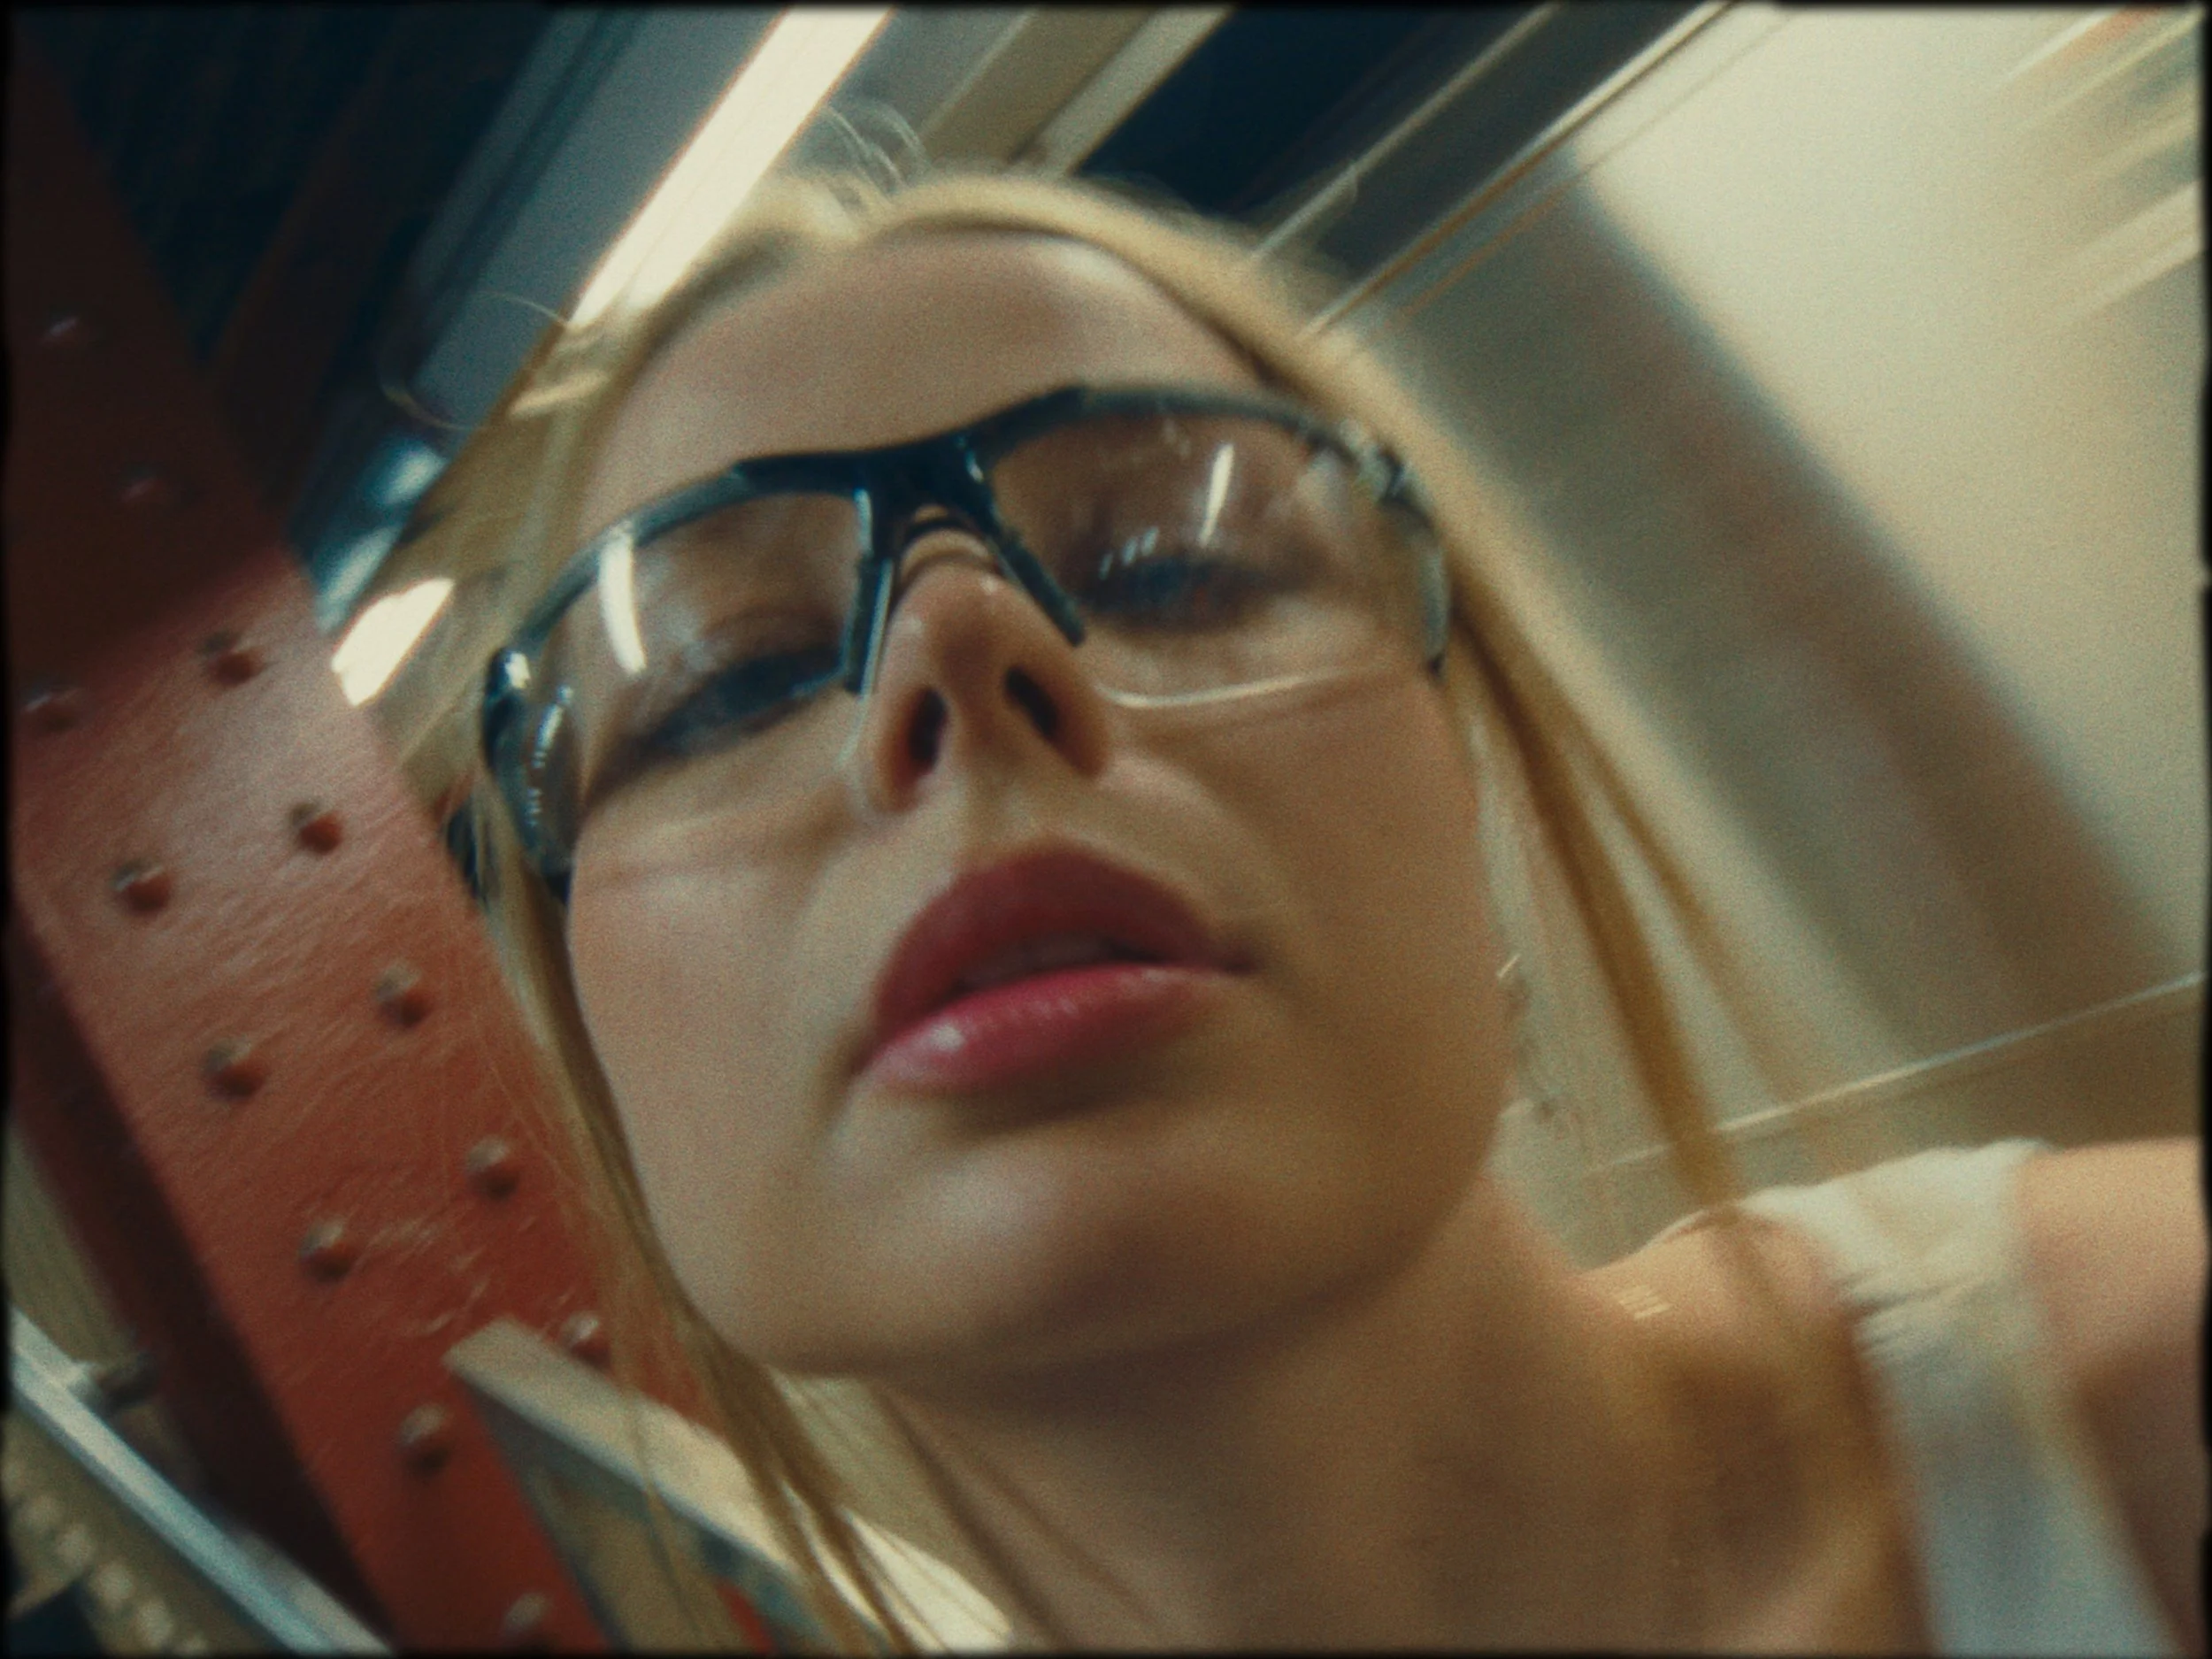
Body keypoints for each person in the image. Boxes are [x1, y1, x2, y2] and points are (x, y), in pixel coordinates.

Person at [377, 165, 2205, 1653]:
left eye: (1171, 562)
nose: (954, 642)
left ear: (1458, 768)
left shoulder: (2146, 1411)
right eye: (727, 679)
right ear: (597, 1035)